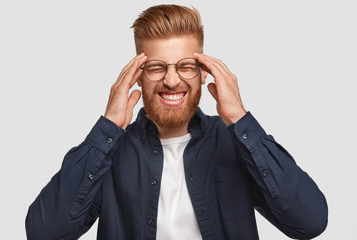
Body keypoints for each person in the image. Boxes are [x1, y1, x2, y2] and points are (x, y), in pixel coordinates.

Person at [25, 4, 328, 240]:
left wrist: (239, 118)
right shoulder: (108, 153)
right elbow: (44, 232)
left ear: (204, 73)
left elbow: (309, 222)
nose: (172, 80)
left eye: (185, 66)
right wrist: (108, 126)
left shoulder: (235, 144)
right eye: (156, 67)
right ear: (138, 77)